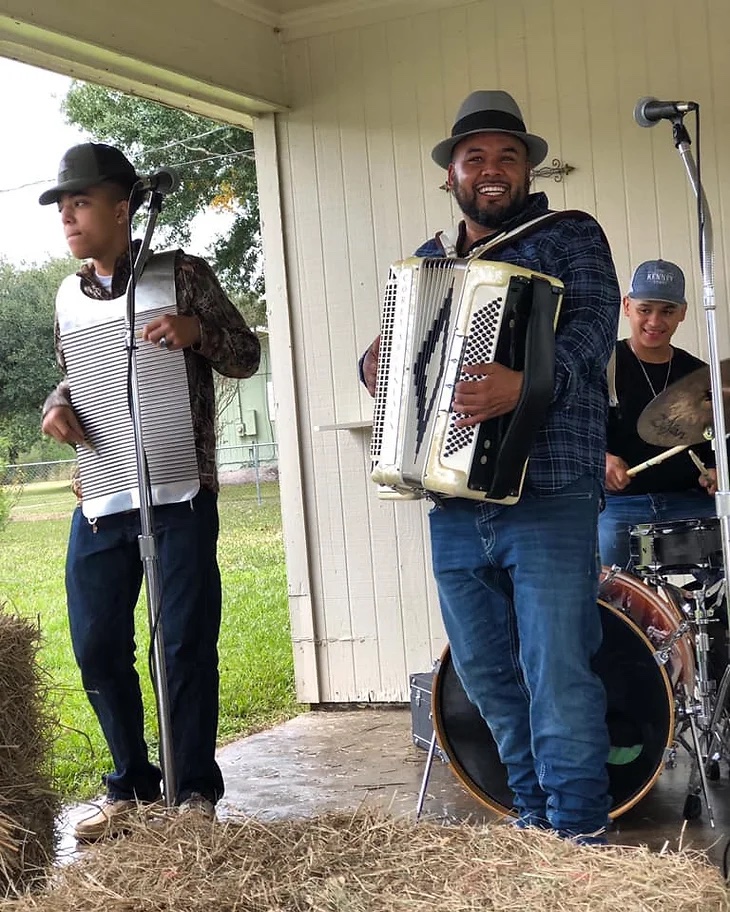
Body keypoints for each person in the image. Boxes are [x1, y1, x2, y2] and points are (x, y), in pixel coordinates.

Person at [361, 91, 621, 842]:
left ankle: (580, 837)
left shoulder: (568, 236)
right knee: (485, 677)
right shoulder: (432, 265)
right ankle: (535, 821)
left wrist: (526, 385)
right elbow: (394, 360)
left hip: (548, 489)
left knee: (558, 672)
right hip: (453, 499)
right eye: (475, 156)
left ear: (529, 168)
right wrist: (376, 365)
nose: (493, 169)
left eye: (508, 154)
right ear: (452, 175)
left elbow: (594, 327)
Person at [39, 142, 261, 841]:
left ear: (122, 206)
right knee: (98, 642)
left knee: (184, 644)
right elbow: (75, 377)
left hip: (177, 493)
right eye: (63, 206)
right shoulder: (67, 297)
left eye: (80, 202)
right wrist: (55, 406)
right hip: (102, 497)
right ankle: (131, 784)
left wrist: (197, 331)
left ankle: (193, 791)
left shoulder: (180, 274)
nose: (69, 217)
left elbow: (245, 352)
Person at [599, 259, 717, 569]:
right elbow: (571, 435)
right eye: (645, 309)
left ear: (683, 313)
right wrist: (602, 459)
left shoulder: (698, 375)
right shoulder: (602, 366)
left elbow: (716, 441)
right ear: (627, 306)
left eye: (667, 311)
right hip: (619, 505)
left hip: (687, 502)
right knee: (613, 581)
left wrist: (717, 472)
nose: (654, 321)